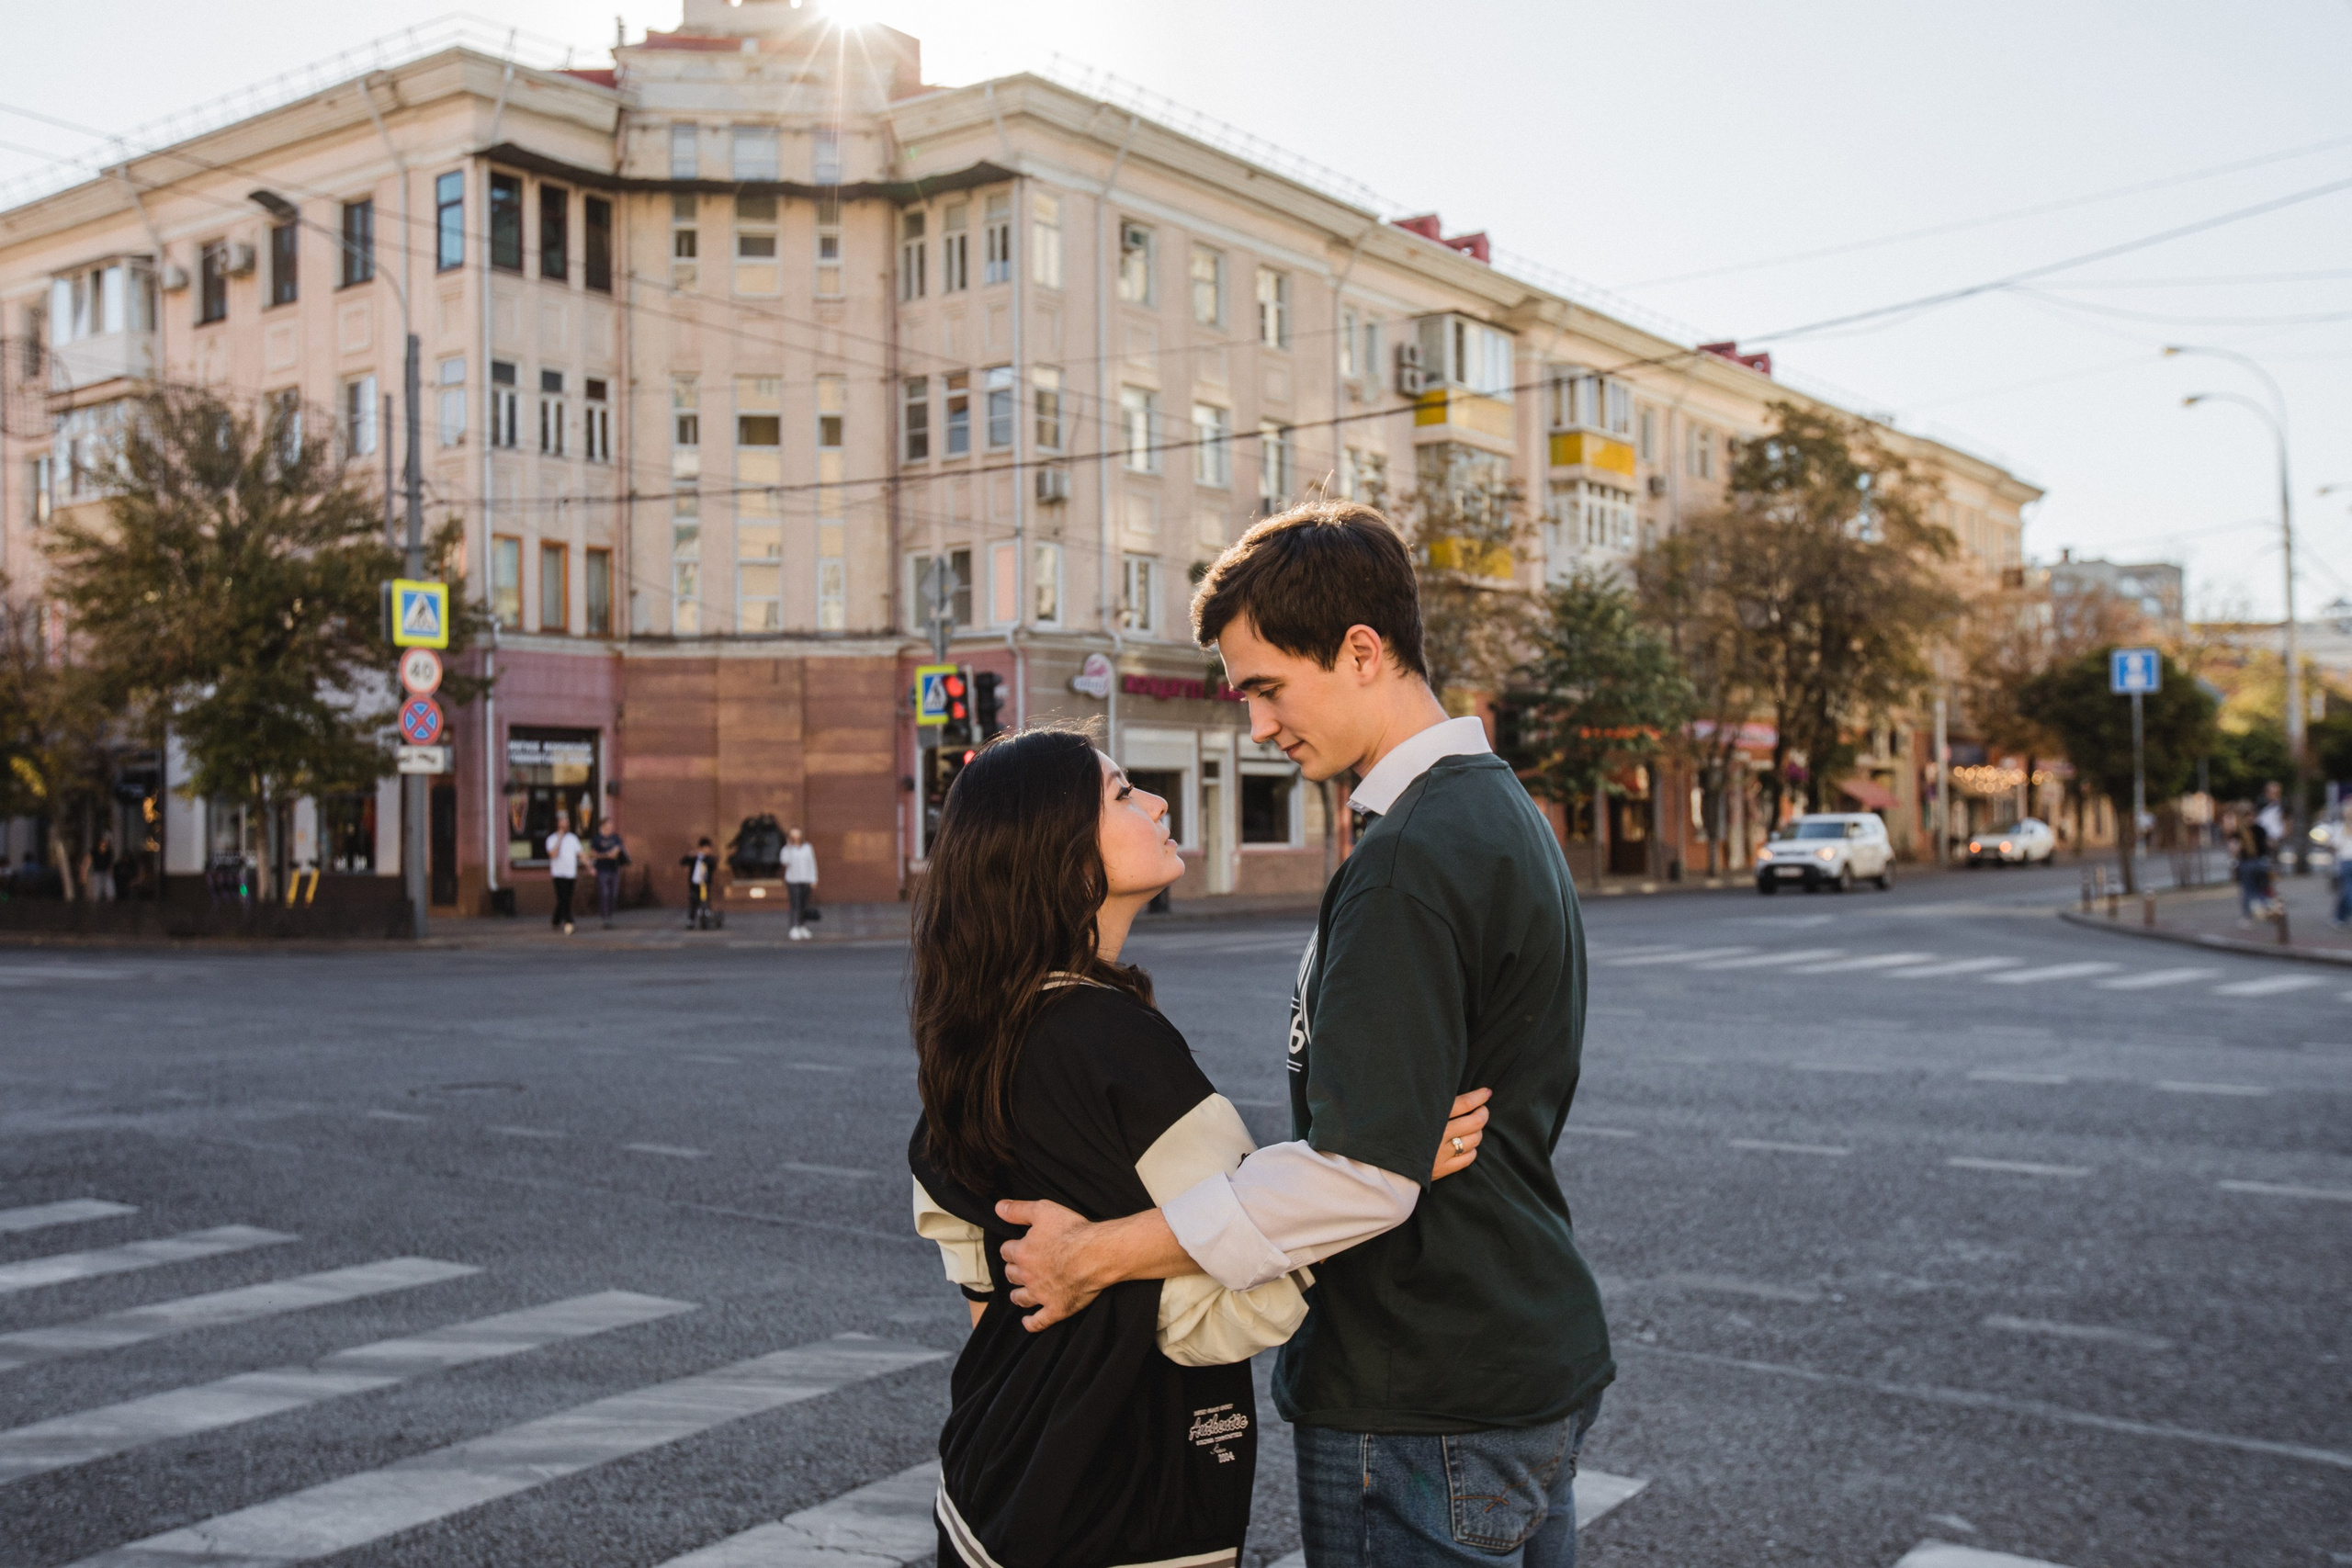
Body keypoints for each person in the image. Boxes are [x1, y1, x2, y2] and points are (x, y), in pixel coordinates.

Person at [999, 502, 1612, 1568]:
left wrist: (1095, 1254)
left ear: (1362, 652)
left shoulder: (1409, 858)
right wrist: (1383, 1143)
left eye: (1269, 688)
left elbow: (1361, 1181)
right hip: (1515, 1355)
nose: (1259, 727)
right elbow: (1386, 1149)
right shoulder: (1494, 810)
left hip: (1419, 1385)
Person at [909, 725, 1488, 1568]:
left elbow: (980, 1286)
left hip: (986, 1480)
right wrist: (1376, 1165)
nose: (1156, 802)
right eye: (1121, 793)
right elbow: (1232, 1300)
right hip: (1123, 1502)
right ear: (1062, 855)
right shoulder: (1116, 1046)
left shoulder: (967, 1039)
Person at [544, 810, 582, 935]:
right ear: (558, 823)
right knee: (563, 898)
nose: (565, 824)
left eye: (566, 821)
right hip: (558, 874)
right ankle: (569, 922)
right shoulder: (551, 839)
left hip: (571, 873)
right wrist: (559, 838)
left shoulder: (573, 838)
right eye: (562, 821)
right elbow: (552, 854)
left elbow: (580, 853)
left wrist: (590, 866)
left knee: (566, 899)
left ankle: (556, 920)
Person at [589, 817, 628, 930]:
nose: (611, 827)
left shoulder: (615, 838)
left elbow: (617, 850)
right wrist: (606, 855)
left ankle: (609, 915)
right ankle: (606, 918)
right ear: (603, 826)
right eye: (609, 824)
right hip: (602, 870)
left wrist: (613, 853)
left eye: (611, 825)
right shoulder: (597, 839)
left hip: (614, 869)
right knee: (604, 893)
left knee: (614, 894)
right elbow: (592, 854)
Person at [781, 827, 818, 941]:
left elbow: (812, 863)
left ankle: (802, 926)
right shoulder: (787, 849)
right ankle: (794, 927)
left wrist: (813, 879)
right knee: (795, 904)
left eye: (797, 835)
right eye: (793, 835)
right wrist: (789, 847)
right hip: (793, 880)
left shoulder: (807, 847)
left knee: (804, 905)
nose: (796, 837)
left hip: (806, 880)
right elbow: (784, 861)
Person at [682, 837, 718, 930]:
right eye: (705, 848)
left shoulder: (709, 859)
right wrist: (690, 855)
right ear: (701, 848)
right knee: (693, 902)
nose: (707, 850)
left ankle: (705, 919)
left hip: (704, 885)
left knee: (704, 902)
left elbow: (712, 866)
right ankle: (691, 920)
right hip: (694, 884)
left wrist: (704, 857)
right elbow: (683, 862)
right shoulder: (695, 858)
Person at [87, 834, 115, 903]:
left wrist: (111, 872)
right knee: (96, 888)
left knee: (109, 888)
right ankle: (96, 901)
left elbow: (110, 863)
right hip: (97, 871)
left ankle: (110, 901)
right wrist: (85, 871)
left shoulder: (109, 852)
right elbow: (88, 861)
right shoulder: (94, 852)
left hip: (106, 872)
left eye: (105, 842)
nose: (104, 844)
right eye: (103, 842)